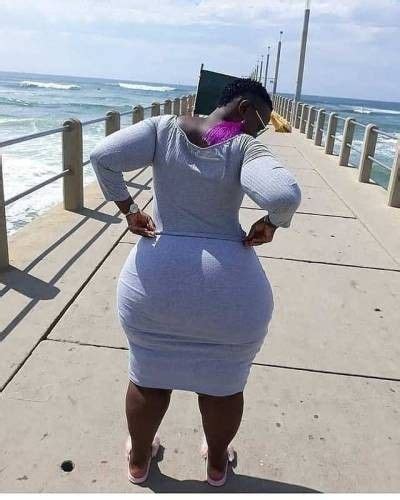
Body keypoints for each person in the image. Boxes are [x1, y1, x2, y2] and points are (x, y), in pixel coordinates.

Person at [90, 78, 301, 487]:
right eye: (258, 123)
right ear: (243, 108)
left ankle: (138, 459)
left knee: (149, 377)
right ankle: (217, 463)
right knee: (223, 385)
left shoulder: (163, 129)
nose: (258, 132)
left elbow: (103, 156)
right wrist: (272, 223)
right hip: (230, 292)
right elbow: (283, 195)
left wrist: (130, 210)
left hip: (155, 283)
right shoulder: (241, 145)